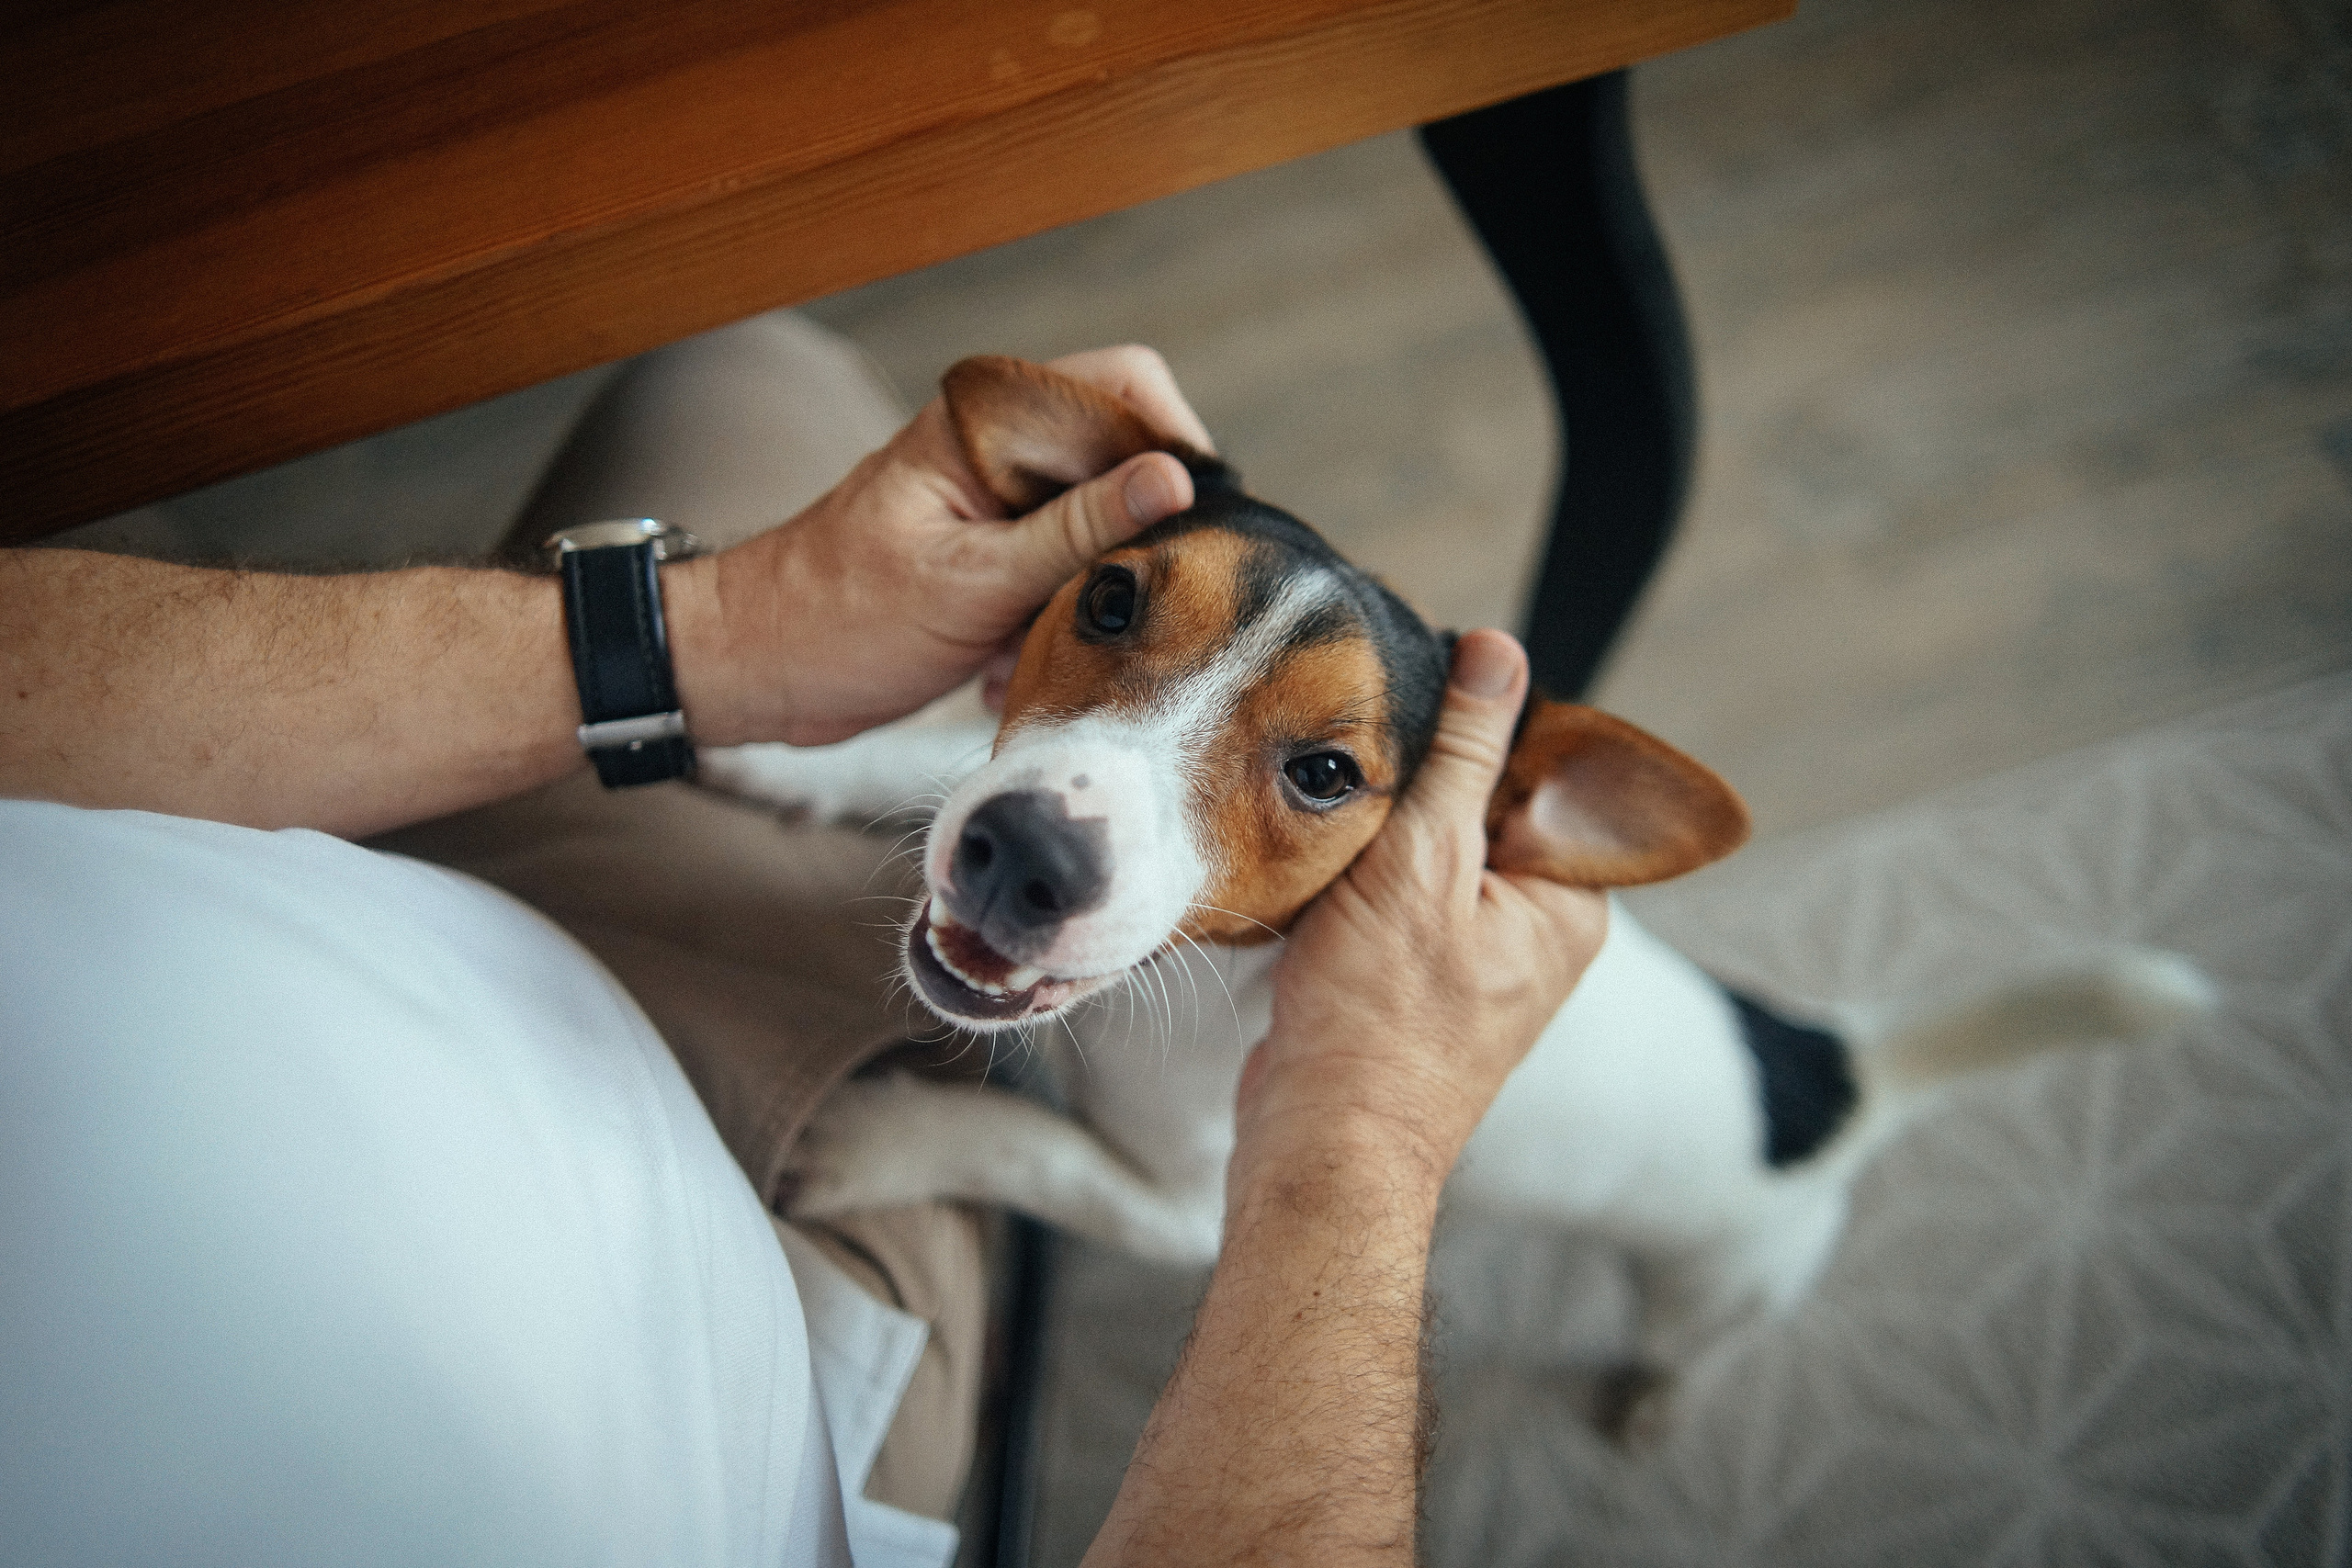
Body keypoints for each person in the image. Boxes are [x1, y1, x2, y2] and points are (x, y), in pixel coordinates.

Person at [0, 326, 1604, 1565]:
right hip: (648, 1222)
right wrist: (1366, 1130)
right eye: (1116, 610)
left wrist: (726, 642)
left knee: (734, 355)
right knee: (748, 361)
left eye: (1317, 775)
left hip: (326, 964)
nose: (1062, 817)